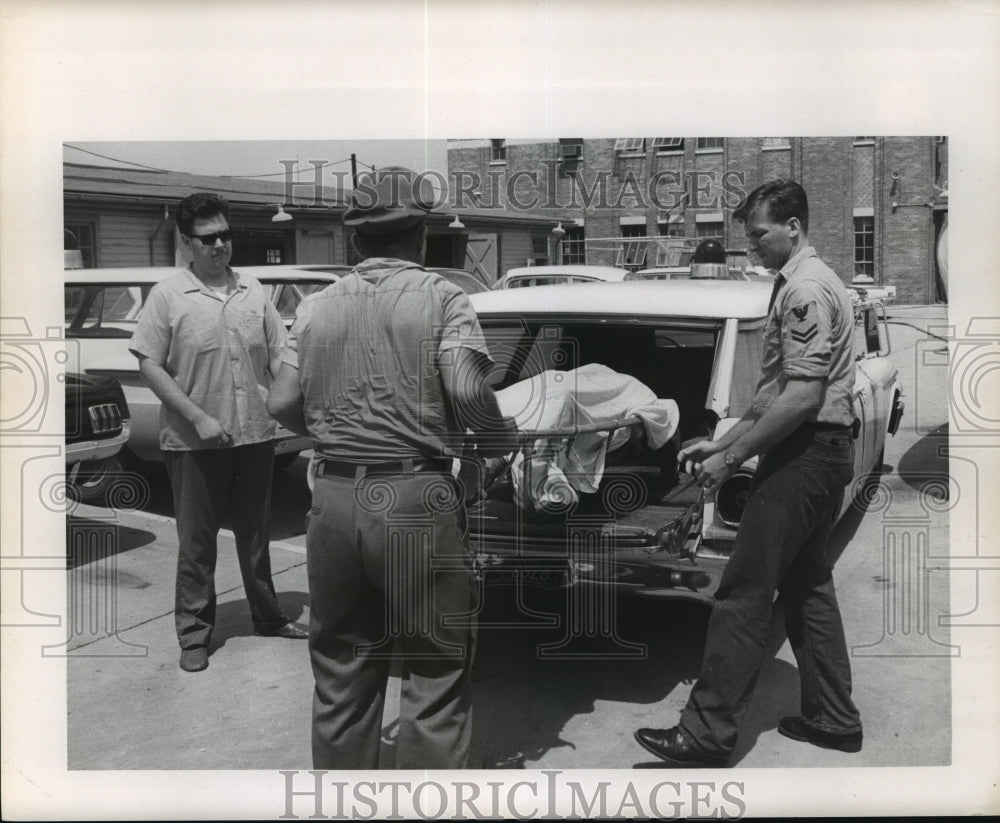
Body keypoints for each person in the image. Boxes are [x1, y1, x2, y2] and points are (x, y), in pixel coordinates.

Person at [267, 167, 517, 769]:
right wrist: (496, 441)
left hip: (331, 497)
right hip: (414, 496)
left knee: (341, 670)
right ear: (422, 234)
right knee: (434, 668)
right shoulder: (442, 298)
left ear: (355, 241)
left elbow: (279, 402)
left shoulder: (317, 306)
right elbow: (465, 388)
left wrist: (336, 426)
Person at [635, 179, 862, 766]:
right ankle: (835, 718)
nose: (753, 246)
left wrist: (732, 459)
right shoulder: (800, 282)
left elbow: (802, 397)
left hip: (806, 454)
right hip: (816, 451)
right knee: (808, 586)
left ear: (793, 226)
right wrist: (722, 441)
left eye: (760, 234)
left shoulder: (806, 289)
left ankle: (707, 733)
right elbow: (772, 396)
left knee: (743, 592)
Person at [129, 192, 308, 674]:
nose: (220, 245)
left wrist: (288, 399)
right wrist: (198, 418)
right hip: (194, 441)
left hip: (255, 434)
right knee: (198, 541)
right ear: (187, 243)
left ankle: (268, 616)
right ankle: (194, 634)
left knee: (256, 535)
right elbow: (149, 363)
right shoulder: (168, 295)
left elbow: (279, 351)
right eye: (208, 238)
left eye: (226, 235)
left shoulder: (254, 290)